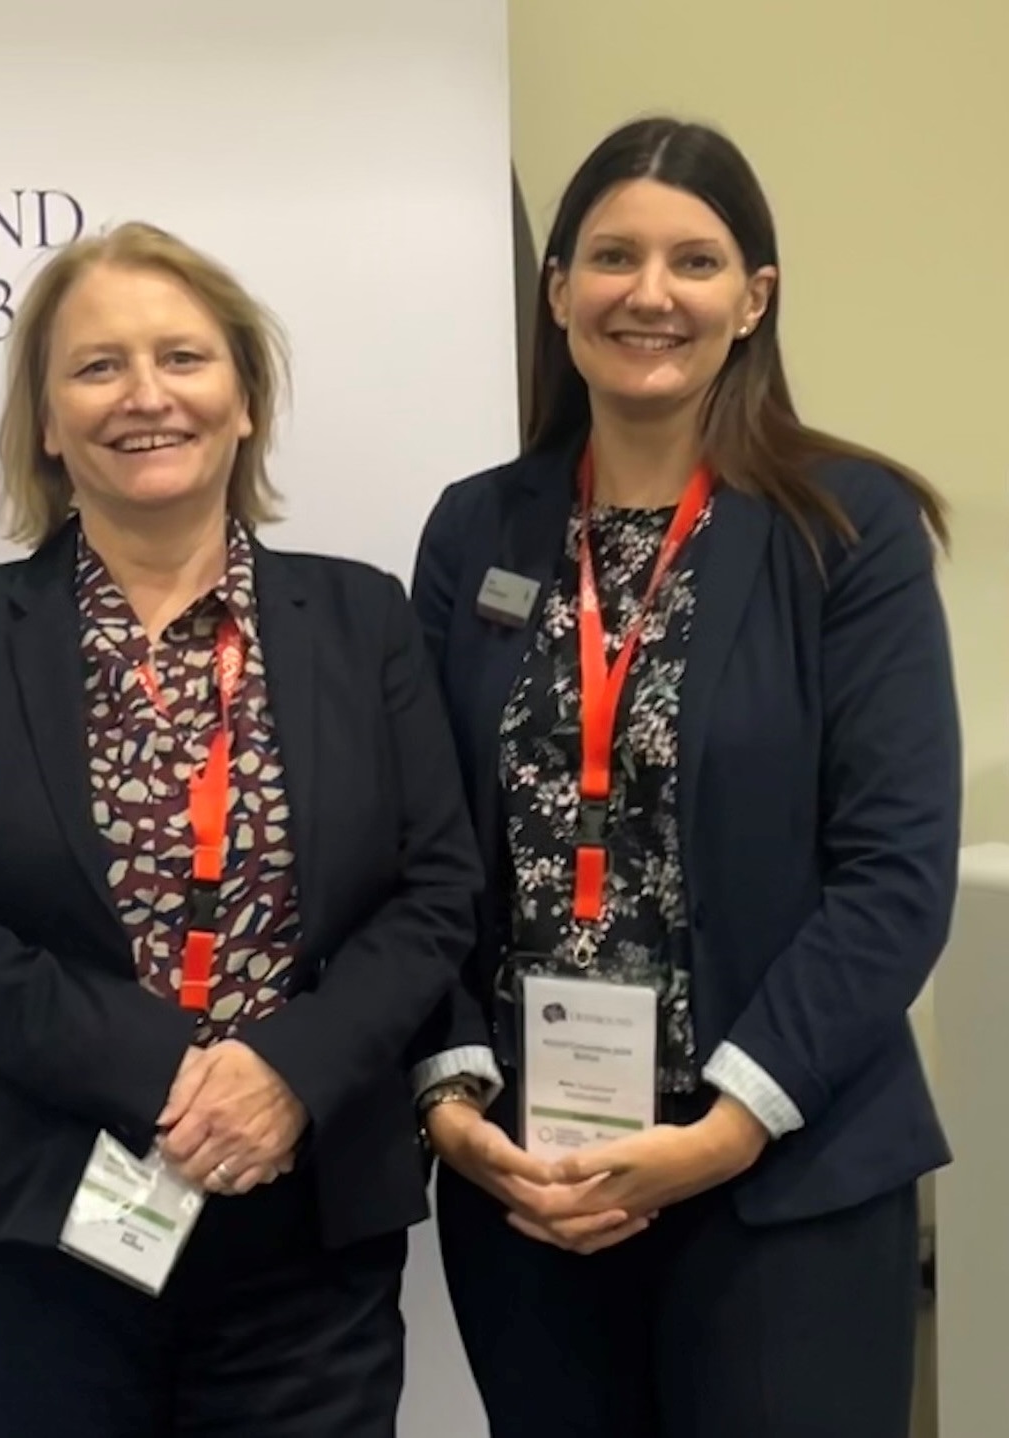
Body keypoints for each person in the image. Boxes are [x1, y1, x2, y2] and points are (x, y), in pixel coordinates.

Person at [0, 221, 481, 1438]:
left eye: (183, 358)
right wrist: (174, 1076)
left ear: (245, 397)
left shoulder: (361, 620)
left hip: (303, 1219)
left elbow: (436, 892)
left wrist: (288, 1073)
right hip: (38, 1216)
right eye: (97, 367)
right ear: (46, 421)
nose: (145, 395)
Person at [408, 116, 961, 1438]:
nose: (648, 293)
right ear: (556, 291)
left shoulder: (848, 527)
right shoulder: (476, 525)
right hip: (535, 1180)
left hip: (784, 1178)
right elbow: (420, 846)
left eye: (695, 262)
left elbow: (893, 870)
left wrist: (725, 1127)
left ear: (754, 298)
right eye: (610, 256)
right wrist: (448, 1086)